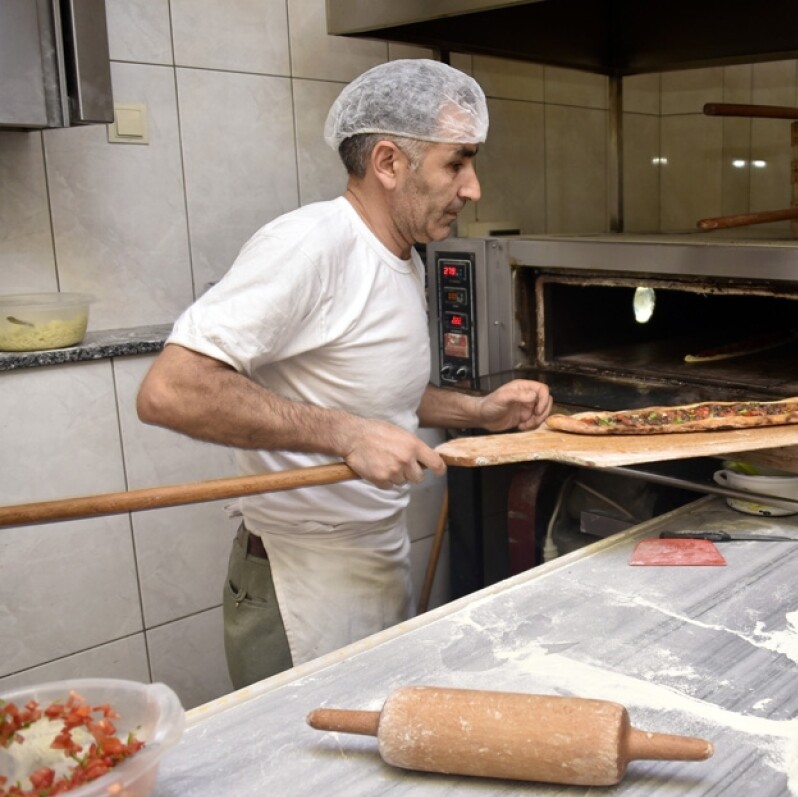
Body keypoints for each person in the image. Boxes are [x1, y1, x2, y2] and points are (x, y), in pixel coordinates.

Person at [136, 59, 551, 688]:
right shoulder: (311, 244)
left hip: (369, 558)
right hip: (300, 576)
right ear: (388, 163)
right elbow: (171, 390)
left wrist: (478, 412)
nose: (473, 189)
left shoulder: (400, 257)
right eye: (457, 162)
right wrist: (346, 436)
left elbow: (375, 396)